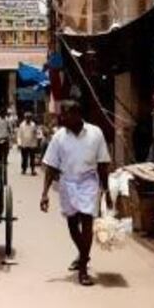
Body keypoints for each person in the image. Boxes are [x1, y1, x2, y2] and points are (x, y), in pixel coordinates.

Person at [40, 100, 111, 287]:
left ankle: (83, 270)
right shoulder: (59, 137)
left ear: (78, 114)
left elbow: (103, 164)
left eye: (66, 113)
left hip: (89, 182)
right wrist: (45, 193)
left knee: (87, 220)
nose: (62, 117)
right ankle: (83, 254)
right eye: (62, 113)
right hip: (67, 183)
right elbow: (51, 166)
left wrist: (107, 191)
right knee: (72, 224)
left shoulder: (95, 133)